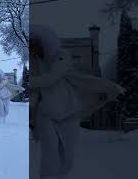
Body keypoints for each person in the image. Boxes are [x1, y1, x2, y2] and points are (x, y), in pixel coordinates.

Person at [30, 25, 125, 179]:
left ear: (44, 43)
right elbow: (36, 92)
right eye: (30, 46)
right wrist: (33, 121)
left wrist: (110, 86)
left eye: (35, 45)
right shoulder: (34, 64)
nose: (32, 50)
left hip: (69, 115)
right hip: (46, 115)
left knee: (67, 160)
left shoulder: (60, 58)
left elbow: (79, 80)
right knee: (50, 155)